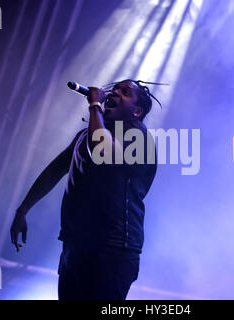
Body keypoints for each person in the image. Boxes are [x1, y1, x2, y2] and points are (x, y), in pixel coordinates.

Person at [10, 79, 159, 300]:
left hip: (114, 249)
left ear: (137, 112)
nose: (115, 92)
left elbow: (103, 150)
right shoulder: (85, 136)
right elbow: (54, 171)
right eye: (115, 89)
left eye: (125, 92)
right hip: (76, 244)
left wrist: (95, 106)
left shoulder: (138, 138)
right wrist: (23, 209)